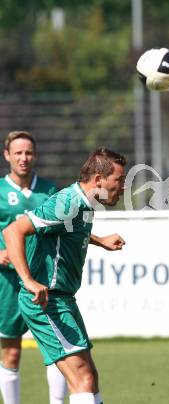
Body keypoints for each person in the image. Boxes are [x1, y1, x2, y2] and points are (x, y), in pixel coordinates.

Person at [3, 148, 127, 404]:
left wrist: (99, 240)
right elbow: (14, 231)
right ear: (99, 180)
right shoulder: (68, 202)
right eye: (119, 180)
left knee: (89, 376)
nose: (123, 187)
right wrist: (27, 279)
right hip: (47, 302)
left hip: (63, 300)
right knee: (82, 378)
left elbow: (64, 231)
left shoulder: (83, 203)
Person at [0, 131, 68, 404]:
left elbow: (64, 229)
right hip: (7, 282)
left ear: (35, 155)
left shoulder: (49, 191)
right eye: (17, 153)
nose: (23, 158)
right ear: (7, 156)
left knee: (55, 351)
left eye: (28, 152)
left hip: (41, 280)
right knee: (11, 352)